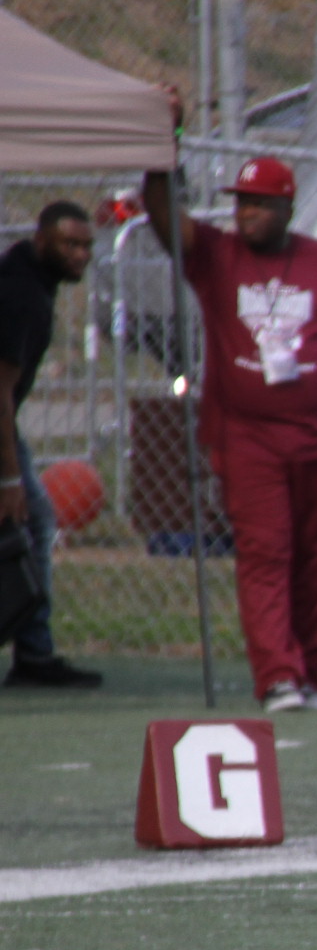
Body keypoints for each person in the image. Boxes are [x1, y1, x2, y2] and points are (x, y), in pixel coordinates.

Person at [143, 142, 317, 712]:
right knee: (266, 552)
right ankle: (277, 675)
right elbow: (163, 217)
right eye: (241, 204)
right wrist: (164, 148)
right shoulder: (217, 257)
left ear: (288, 209)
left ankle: (308, 668)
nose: (247, 215)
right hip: (248, 436)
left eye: (260, 205)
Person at [0, 202, 103, 688]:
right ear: (42, 240)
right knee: (33, 517)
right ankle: (34, 652)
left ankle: (34, 650)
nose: (80, 255)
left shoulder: (34, 283)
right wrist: (9, 478)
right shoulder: (20, 293)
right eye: (70, 244)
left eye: (86, 246)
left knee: (35, 520)